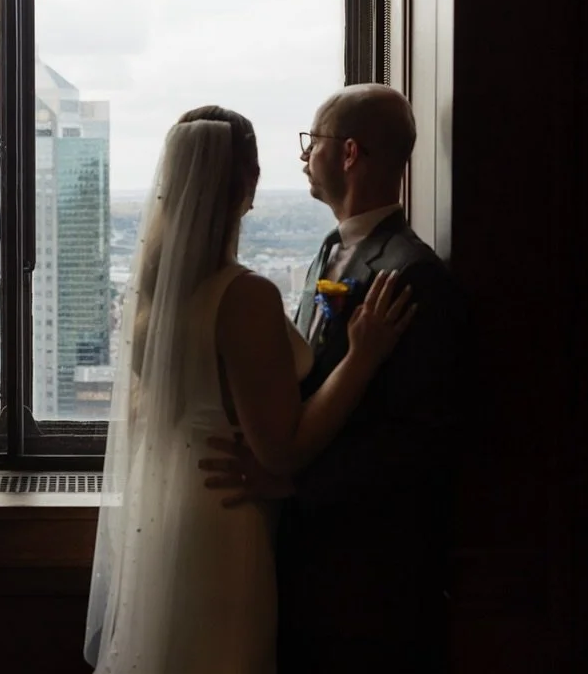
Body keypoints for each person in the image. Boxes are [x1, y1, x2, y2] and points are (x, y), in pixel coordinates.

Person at [84, 104, 417, 674]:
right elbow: (280, 450)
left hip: (167, 517)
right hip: (226, 517)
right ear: (248, 184)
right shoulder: (244, 296)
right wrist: (361, 359)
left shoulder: (149, 296)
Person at [199, 84, 467, 673]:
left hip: (368, 582)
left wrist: (293, 485)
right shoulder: (329, 249)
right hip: (308, 567)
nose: (303, 156)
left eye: (312, 142)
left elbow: (421, 441)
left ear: (348, 153)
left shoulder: (413, 275)